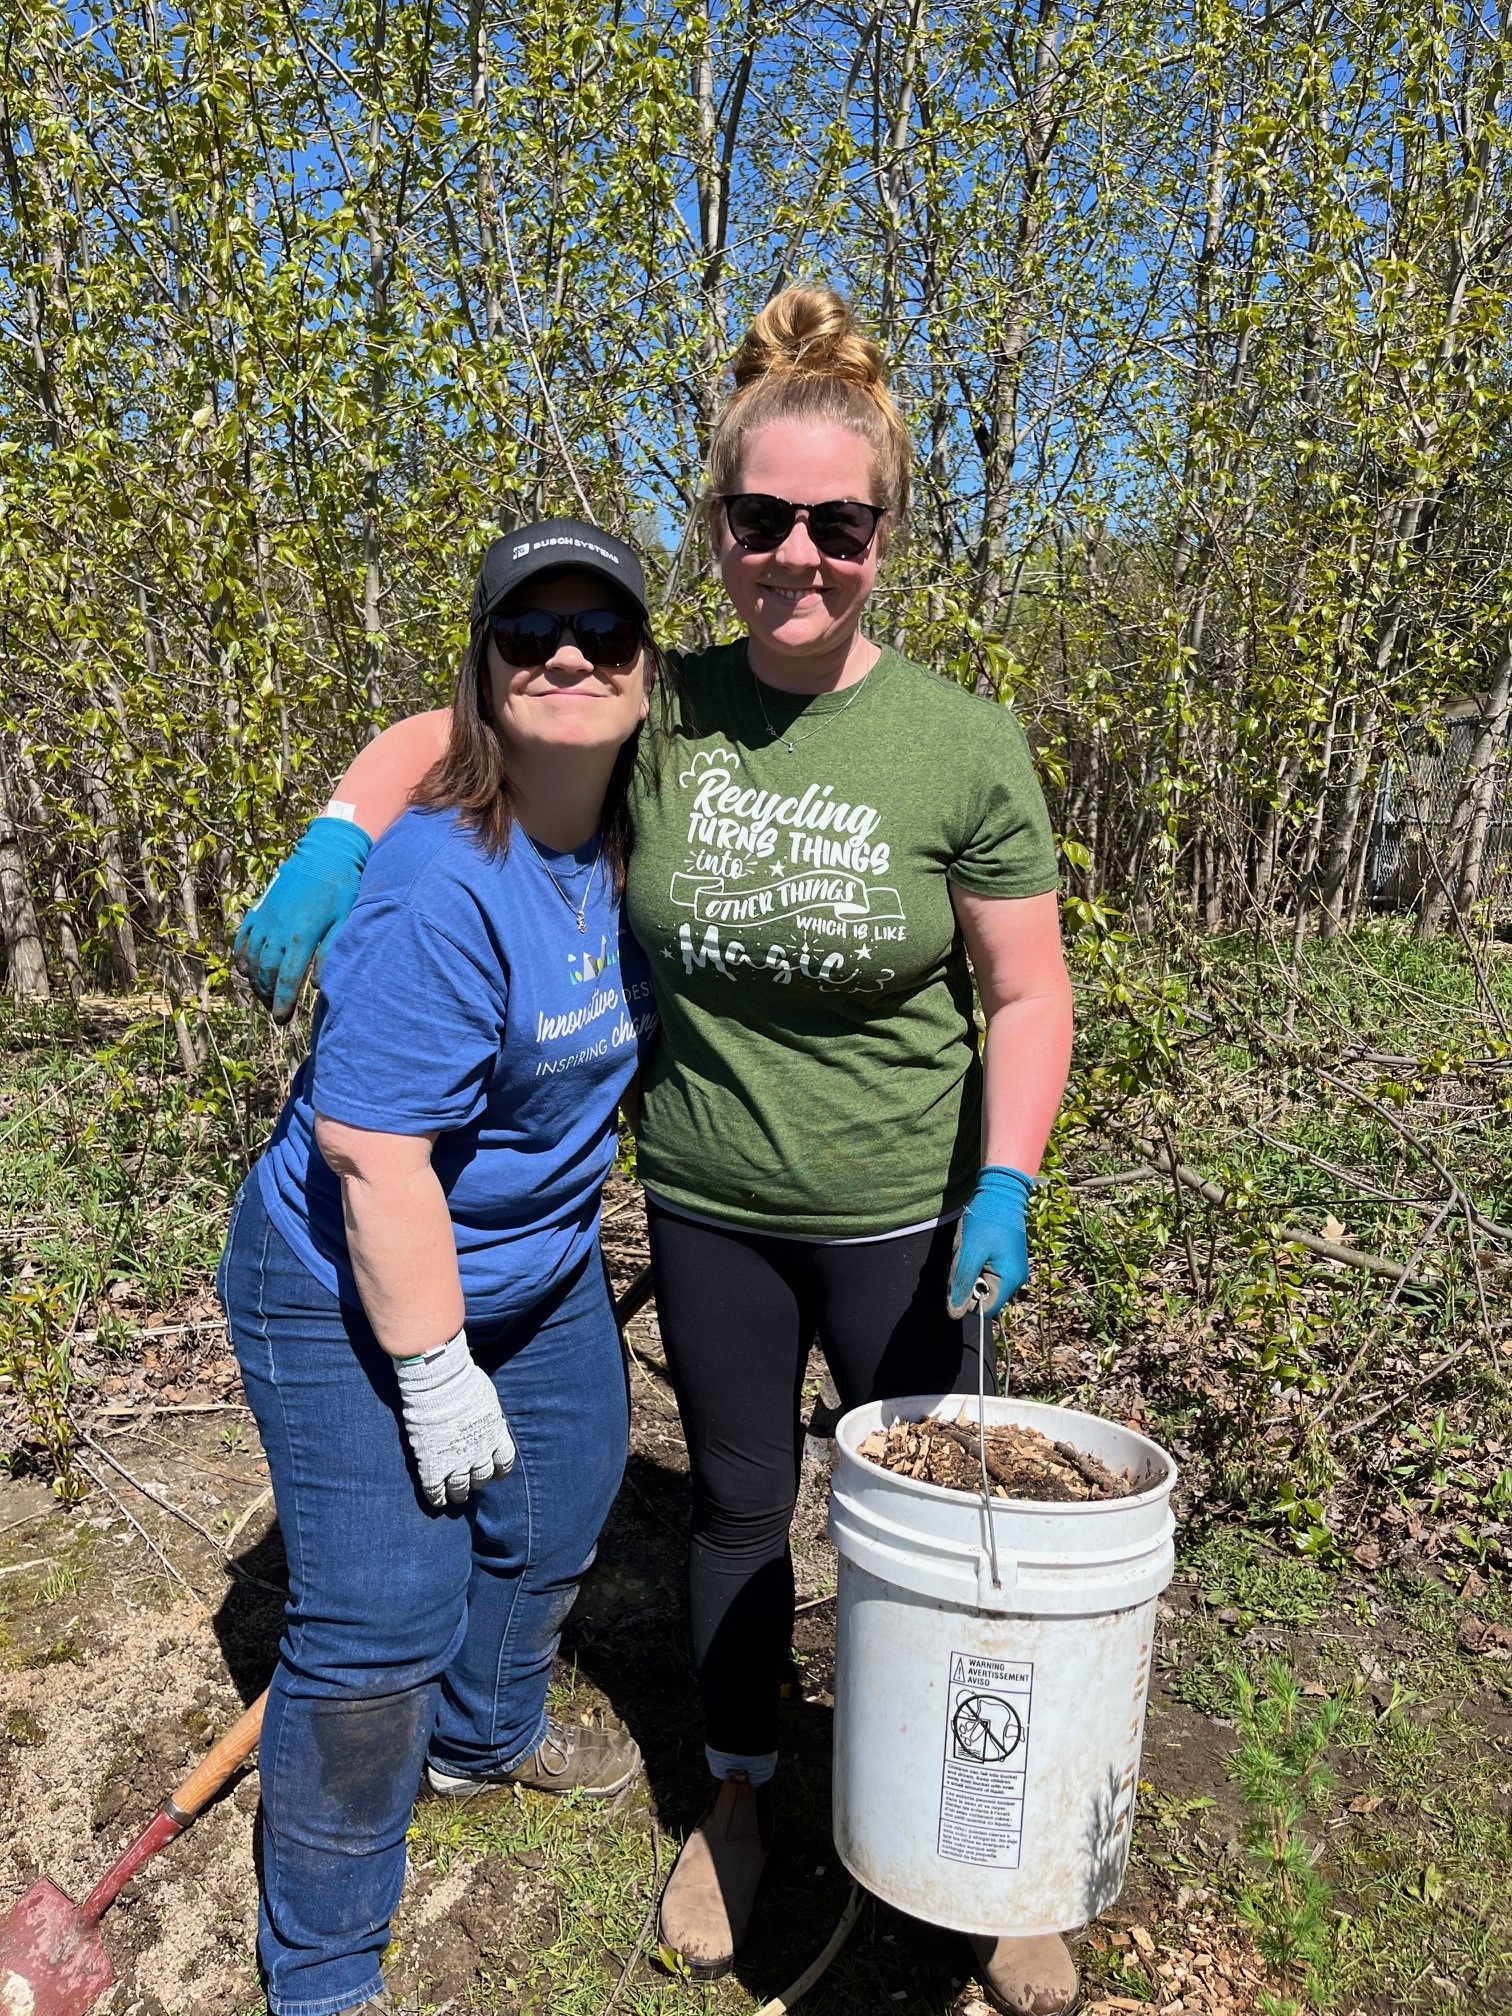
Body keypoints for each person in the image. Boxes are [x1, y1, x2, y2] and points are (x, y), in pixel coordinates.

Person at [235, 291, 1077, 2016]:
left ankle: (983, 1845)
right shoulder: (659, 703)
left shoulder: (960, 742)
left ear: (885, 538)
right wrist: (336, 838)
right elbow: (447, 731)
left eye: (838, 526)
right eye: (761, 521)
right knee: (746, 1518)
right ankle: (743, 1805)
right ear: (721, 530)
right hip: (710, 1207)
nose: (798, 555)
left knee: (950, 1532)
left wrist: (1006, 1180)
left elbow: (1028, 985)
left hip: (900, 1213)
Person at [219, 522, 662, 2016]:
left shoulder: (635, 819)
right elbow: (374, 1160)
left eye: (601, 631)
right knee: (381, 1614)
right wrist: (430, 1375)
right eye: (525, 635)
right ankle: (325, 1974)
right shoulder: (441, 883)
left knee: (559, 1504)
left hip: (528, 1265)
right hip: (348, 1273)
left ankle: (484, 1737)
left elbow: (451, 721)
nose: (566, 656)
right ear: (484, 676)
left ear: (647, 673)